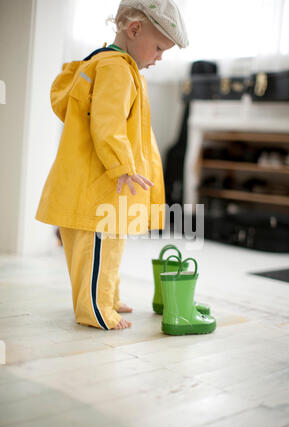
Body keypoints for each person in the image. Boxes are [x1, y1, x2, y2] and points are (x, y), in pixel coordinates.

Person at [35, 0, 189, 331]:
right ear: (134, 30)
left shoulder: (110, 65)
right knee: (97, 249)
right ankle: (96, 309)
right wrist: (122, 165)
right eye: (159, 48)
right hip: (100, 185)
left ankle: (107, 295)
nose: (159, 58)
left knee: (105, 250)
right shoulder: (117, 68)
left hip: (97, 184)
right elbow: (108, 123)